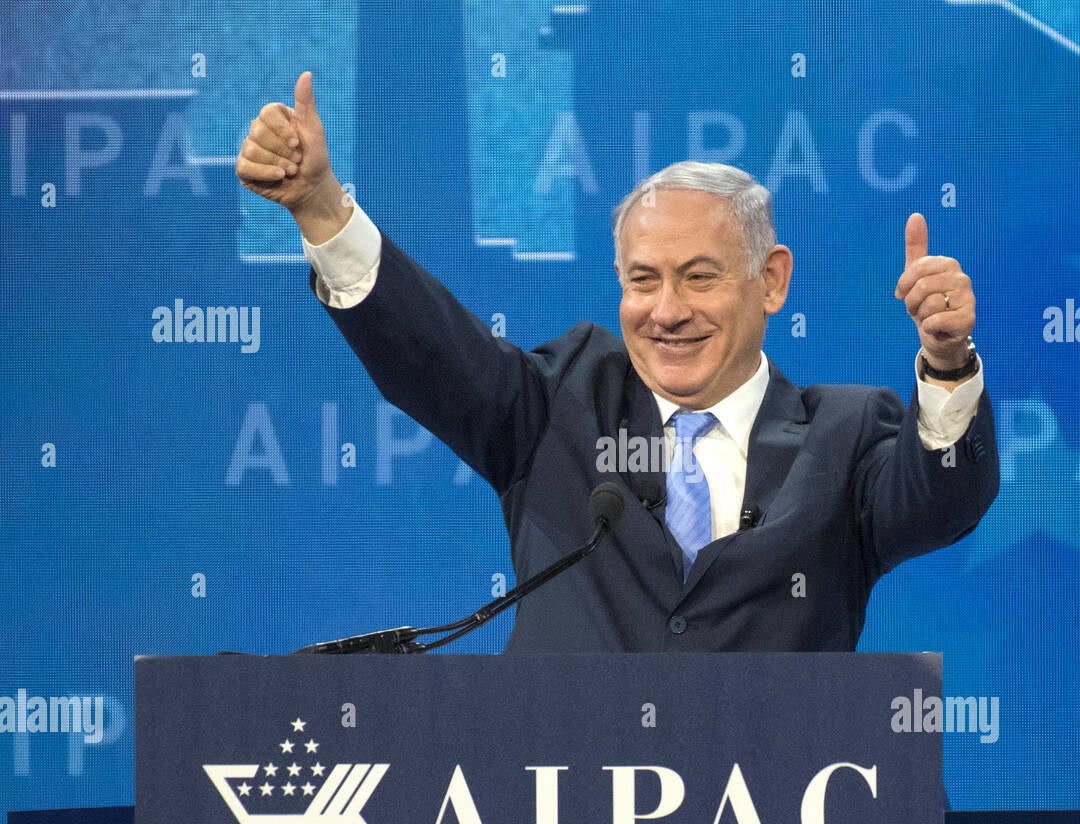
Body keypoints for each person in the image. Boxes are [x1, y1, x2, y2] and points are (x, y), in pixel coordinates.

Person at [236, 72, 999, 652]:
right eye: (643, 280)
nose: (666, 310)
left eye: (699, 276)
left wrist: (946, 359)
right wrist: (322, 211)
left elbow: (942, 502)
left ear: (770, 281)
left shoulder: (847, 431)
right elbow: (432, 353)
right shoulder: (563, 401)